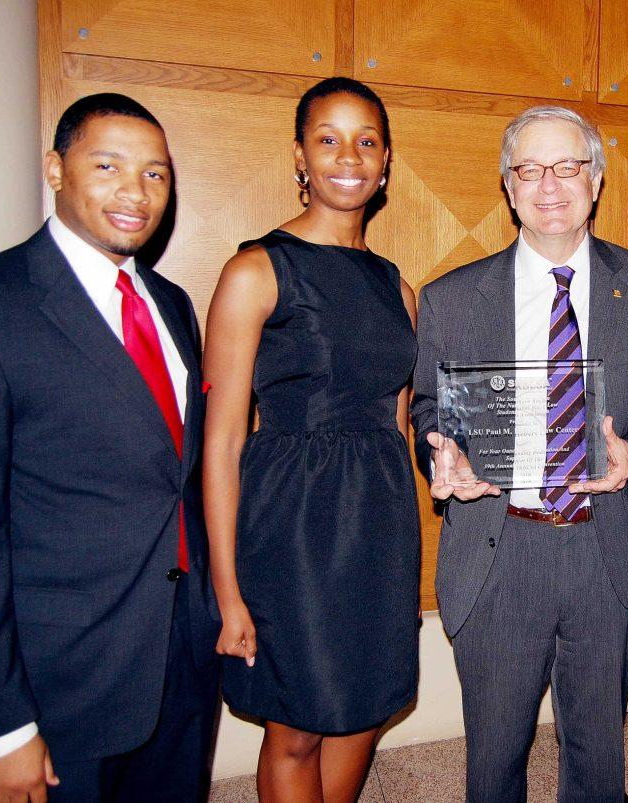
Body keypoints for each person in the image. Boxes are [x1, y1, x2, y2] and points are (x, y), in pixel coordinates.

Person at [410, 105, 628, 802]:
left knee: (599, 761)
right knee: (495, 757)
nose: (549, 184)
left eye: (568, 166)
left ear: (596, 180)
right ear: (507, 187)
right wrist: (442, 456)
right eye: (529, 169)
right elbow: (429, 411)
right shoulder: (451, 298)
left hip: (607, 547)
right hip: (502, 547)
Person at [0, 93, 219, 802]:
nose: (136, 192)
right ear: (55, 168)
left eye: (156, 173)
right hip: (52, 686)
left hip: (178, 664)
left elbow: (176, 482)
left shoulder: (170, 304)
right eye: (108, 165)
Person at [202, 76, 419, 802]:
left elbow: (397, 422)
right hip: (291, 525)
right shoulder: (256, 271)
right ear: (300, 156)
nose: (347, 156)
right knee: (296, 724)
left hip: (378, 524)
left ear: (386, 162)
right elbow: (224, 441)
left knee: (366, 707)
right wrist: (228, 591)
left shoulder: (397, 285)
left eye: (366, 141)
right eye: (327, 138)